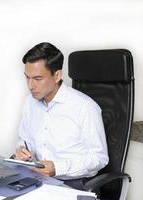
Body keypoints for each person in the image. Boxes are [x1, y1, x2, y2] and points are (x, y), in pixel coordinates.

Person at [15, 42, 109, 188]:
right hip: (36, 178)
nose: (30, 85)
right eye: (27, 77)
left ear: (57, 75)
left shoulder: (84, 107)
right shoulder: (30, 102)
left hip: (72, 183)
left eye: (38, 79)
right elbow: (24, 139)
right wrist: (21, 150)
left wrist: (57, 168)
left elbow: (99, 158)